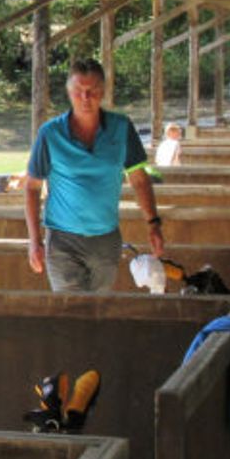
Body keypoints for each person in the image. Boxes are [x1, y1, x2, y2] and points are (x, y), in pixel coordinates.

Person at [24, 59, 164, 292]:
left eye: (93, 91)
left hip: (105, 238)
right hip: (62, 240)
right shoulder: (50, 133)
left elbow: (139, 179)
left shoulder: (122, 128)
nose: (85, 98)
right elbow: (32, 187)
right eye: (78, 91)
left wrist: (153, 224)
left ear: (103, 92)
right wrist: (34, 241)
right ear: (69, 92)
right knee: (71, 312)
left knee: (99, 310)